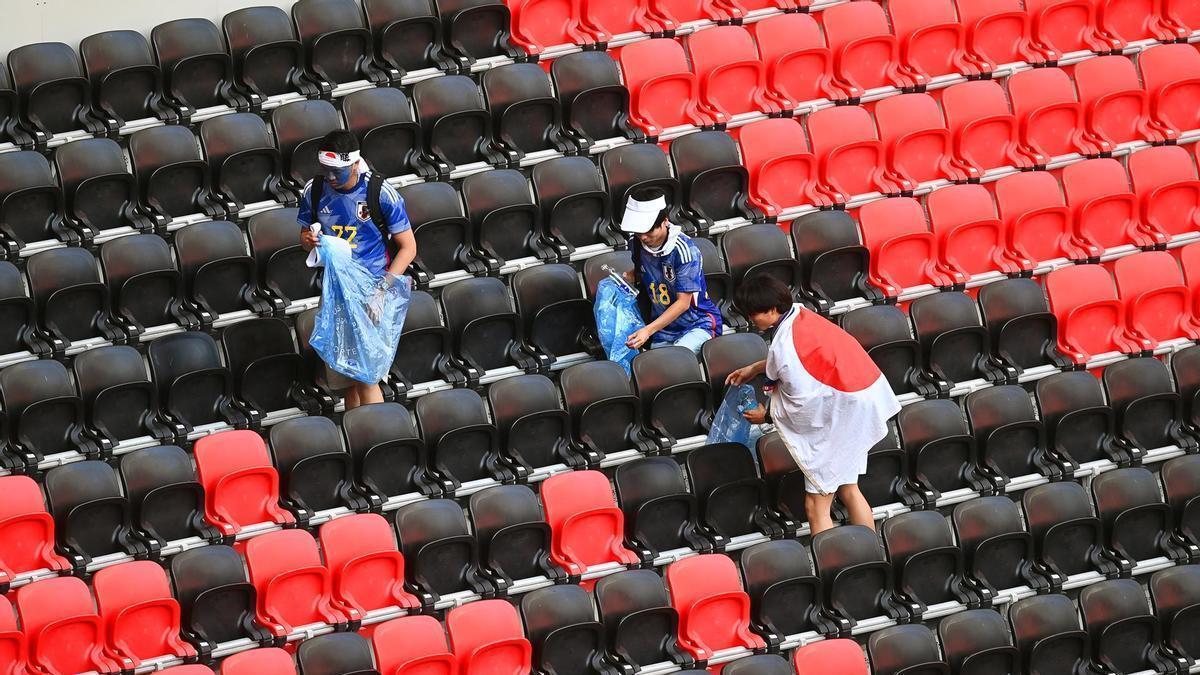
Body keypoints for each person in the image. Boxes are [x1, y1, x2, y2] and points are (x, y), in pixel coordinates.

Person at [726, 275, 901, 534]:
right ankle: (870, 550)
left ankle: (828, 560)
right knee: (850, 489)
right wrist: (755, 367)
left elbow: (802, 404)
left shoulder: (783, 346)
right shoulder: (802, 315)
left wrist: (768, 415)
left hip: (843, 415)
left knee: (815, 505)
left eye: (753, 314)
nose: (751, 321)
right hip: (862, 400)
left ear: (772, 310)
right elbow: (801, 361)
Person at [298, 130, 417, 410]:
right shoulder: (314, 190)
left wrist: (382, 291)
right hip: (337, 291)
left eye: (336, 171)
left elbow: (408, 247)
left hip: (372, 291)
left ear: (354, 164)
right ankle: (356, 432)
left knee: (367, 377)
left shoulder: (380, 192)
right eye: (325, 169)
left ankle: (378, 432)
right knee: (347, 377)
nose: (330, 177)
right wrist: (309, 240)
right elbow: (303, 238)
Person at [619, 188, 722, 354]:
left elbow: (683, 303)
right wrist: (627, 278)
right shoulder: (636, 243)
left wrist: (648, 330)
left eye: (649, 231)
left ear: (665, 221)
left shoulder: (684, 251)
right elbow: (644, 271)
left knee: (678, 357)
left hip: (697, 324)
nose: (643, 237)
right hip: (663, 329)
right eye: (639, 232)